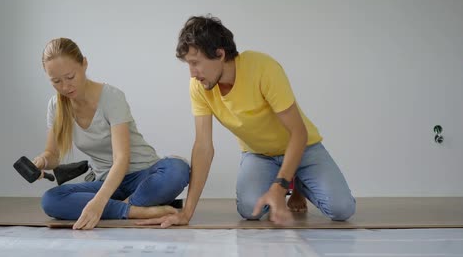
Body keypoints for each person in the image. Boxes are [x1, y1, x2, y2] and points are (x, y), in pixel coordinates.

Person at [138, 15, 355, 228]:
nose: (192, 74)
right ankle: (287, 180)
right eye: (188, 65)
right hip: (259, 154)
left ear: (219, 54)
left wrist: (279, 188)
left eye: (195, 63)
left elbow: (299, 133)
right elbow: (203, 147)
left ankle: (295, 183)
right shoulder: (199, 87)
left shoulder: (263, 69)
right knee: (251, 210)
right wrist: (187, 213)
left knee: (342, 209)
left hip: (302, 147)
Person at [34, 38, 190, 230]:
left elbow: (121, 159)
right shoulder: (55, 106)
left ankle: (119, 207)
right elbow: (53, 156)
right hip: (106, 182)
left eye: (70, 77)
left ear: (84, 63)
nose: (65, 87)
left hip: (143, 176)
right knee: (51, 199)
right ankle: (136, 210)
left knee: (177, 170)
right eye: (56, 81)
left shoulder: (111, 97)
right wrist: (41, 162)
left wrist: (99, 203)